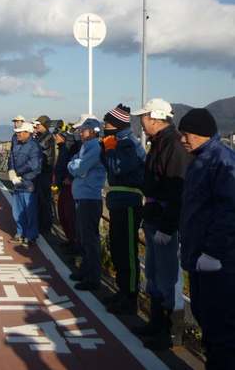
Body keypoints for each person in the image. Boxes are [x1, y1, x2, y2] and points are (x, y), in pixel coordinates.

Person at [130, 98, 191, 350]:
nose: (141, 122)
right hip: (154, 216)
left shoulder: (173, 146)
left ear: (155, 117)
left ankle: (171, 332)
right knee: (154, 273)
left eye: (143, 117)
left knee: (168, 276)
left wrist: (168, 227)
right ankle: (156, 324)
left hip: (164, 220)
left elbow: (177, 190)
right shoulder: (159, 143)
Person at [178, 108, 235, 370]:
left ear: (201, 133)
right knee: (205, 317)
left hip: (217, 261)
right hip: (199, 257)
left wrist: (213, 251)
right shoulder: (201, 158)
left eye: (186, 134)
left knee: (220, 326)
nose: (182, 139)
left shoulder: (221, 160)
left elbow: (229, 209)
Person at [100, 104, 146, 315]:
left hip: (128, 201)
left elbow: (117, 167)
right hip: (118, 201)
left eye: (107, 123)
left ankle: (130, 297)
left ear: (116, 124)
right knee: (118, 249)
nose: (104, 126)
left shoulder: (127, 144)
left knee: (127, 251)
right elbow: (108, 165)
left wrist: (109, 149)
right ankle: (122, 291)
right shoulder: (119, 141)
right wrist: (106, 149)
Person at [68, 116, 106, 291]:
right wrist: (75, 165)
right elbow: (75, 165)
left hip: (89, 198)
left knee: (90, 239)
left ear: (91, 131)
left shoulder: (94, 148)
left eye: (83, 130)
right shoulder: (86, 147)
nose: (80, 132)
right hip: (83, 196)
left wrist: (75, 166)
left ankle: (93, 276)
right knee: (84, 237)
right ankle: (85, 270)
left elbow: (79, 168)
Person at [8, 122, 42, 246]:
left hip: (29, 182)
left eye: (20, 132)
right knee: (17, 210)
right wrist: (11, 170)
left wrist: (17, 172)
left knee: (29, 210)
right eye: (17, 132)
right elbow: (11, 158)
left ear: (28, 133)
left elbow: (34, 165)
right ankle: (20, 233)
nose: (18, 134)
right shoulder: (17, 144)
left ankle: (31, 235)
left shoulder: (34, 146)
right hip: (17, 182)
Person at [53, 125, 81, 252]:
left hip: (69, 184)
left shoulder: (69, 148)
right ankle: (70, 240)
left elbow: (71, 164)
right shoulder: (64, 148)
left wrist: (69, 177)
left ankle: (74, 242)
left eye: (57, 135)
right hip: (62, 183)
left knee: (69, 214)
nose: (55, 137)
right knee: (63, 213)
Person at [34, 115, 55, 234]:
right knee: (42, 200)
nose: (36, 126)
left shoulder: (46, 137)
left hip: (44, 172)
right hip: (43, 172)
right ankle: (43, 224)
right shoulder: (42, 136)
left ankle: (45, 226)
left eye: (39, 124)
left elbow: (37, 148)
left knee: (43, 200)